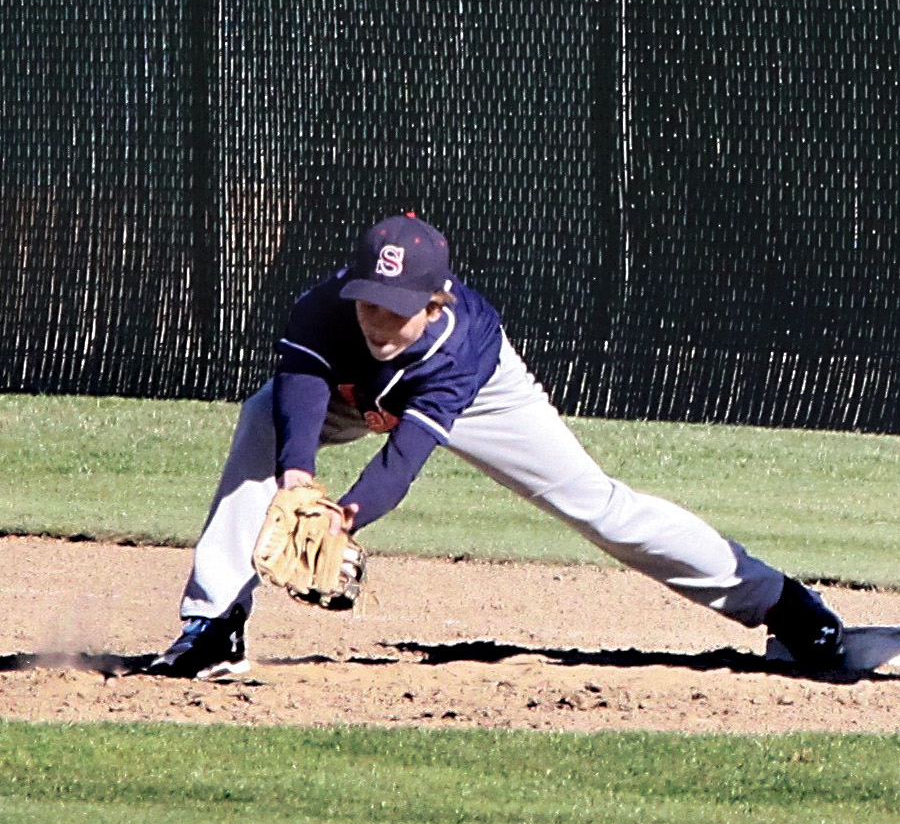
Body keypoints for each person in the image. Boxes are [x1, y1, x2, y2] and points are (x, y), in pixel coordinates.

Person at [148, 214, 845, 679]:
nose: (378, 318)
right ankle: (214, 624)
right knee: (262, 419)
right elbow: (300, 395)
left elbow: (405, 457)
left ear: (436, 301)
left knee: (599, 508)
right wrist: (299, 479)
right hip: (353, 391)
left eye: (397, 307)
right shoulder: (322, 312)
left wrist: (348, 514)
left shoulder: (461, 346)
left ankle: (780, 602)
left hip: (481, 398)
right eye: (368, 300)